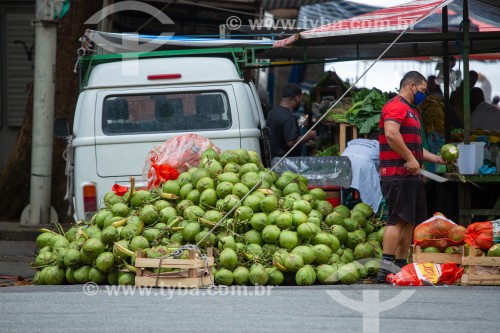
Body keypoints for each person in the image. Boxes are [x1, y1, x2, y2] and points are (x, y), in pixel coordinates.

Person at [377, 71, 445, 283]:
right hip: (397, 174)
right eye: (423, 90)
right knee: (397, 219)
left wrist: (437, 159)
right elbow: (391, 134)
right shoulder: (396, 106)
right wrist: (409, 157)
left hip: (410, 175)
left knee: (409, 221)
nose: (423, 95)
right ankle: (385, 267)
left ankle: (399, 264)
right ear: (412, 86)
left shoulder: (412, 110)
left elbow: (416, 148)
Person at [266, 83, 317, 159]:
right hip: (284, 163)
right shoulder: (289, 117)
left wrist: (296, 124)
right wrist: (310, 135)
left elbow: (280, 129)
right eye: (300, 99)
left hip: (273, 160)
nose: (300, 101)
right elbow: (291, 142)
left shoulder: (272, 112)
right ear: (296, 98)